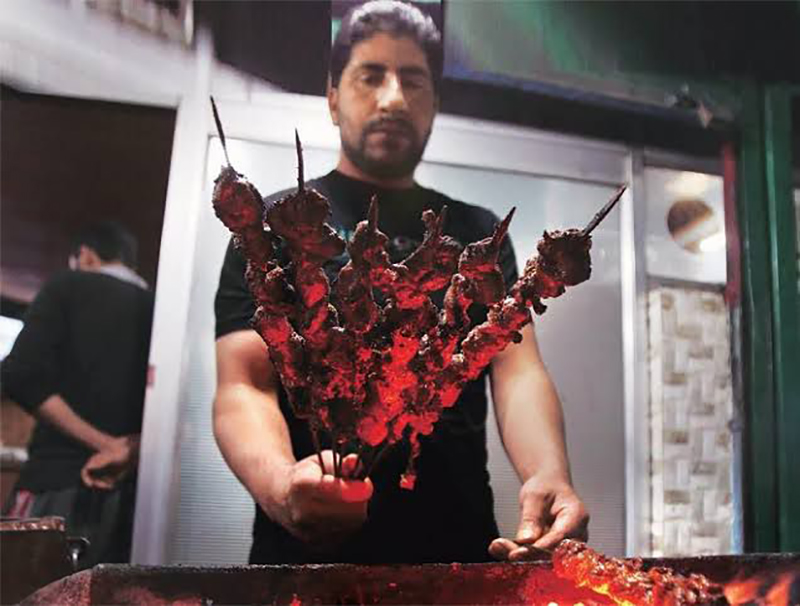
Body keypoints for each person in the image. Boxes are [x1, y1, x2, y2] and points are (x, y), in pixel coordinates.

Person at [213, 0, 588, 565]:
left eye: (413, 81)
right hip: (303, 560)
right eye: (370, 76)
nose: (392, 99)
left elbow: (516, 369)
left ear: (434, 105)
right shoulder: (271, 227)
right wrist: (280, 486)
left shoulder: (478, 234)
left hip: (457, 552)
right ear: (333, 97)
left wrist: (548, 472)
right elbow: (245, 384)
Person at [1, 221, 154, 567]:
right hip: (133, 500)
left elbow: (20, 374)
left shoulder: (67, 285)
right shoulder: (159, 307)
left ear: (84, 255)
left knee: (25, 585)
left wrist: (104, 444)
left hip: (57, 485)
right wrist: (129, 448)